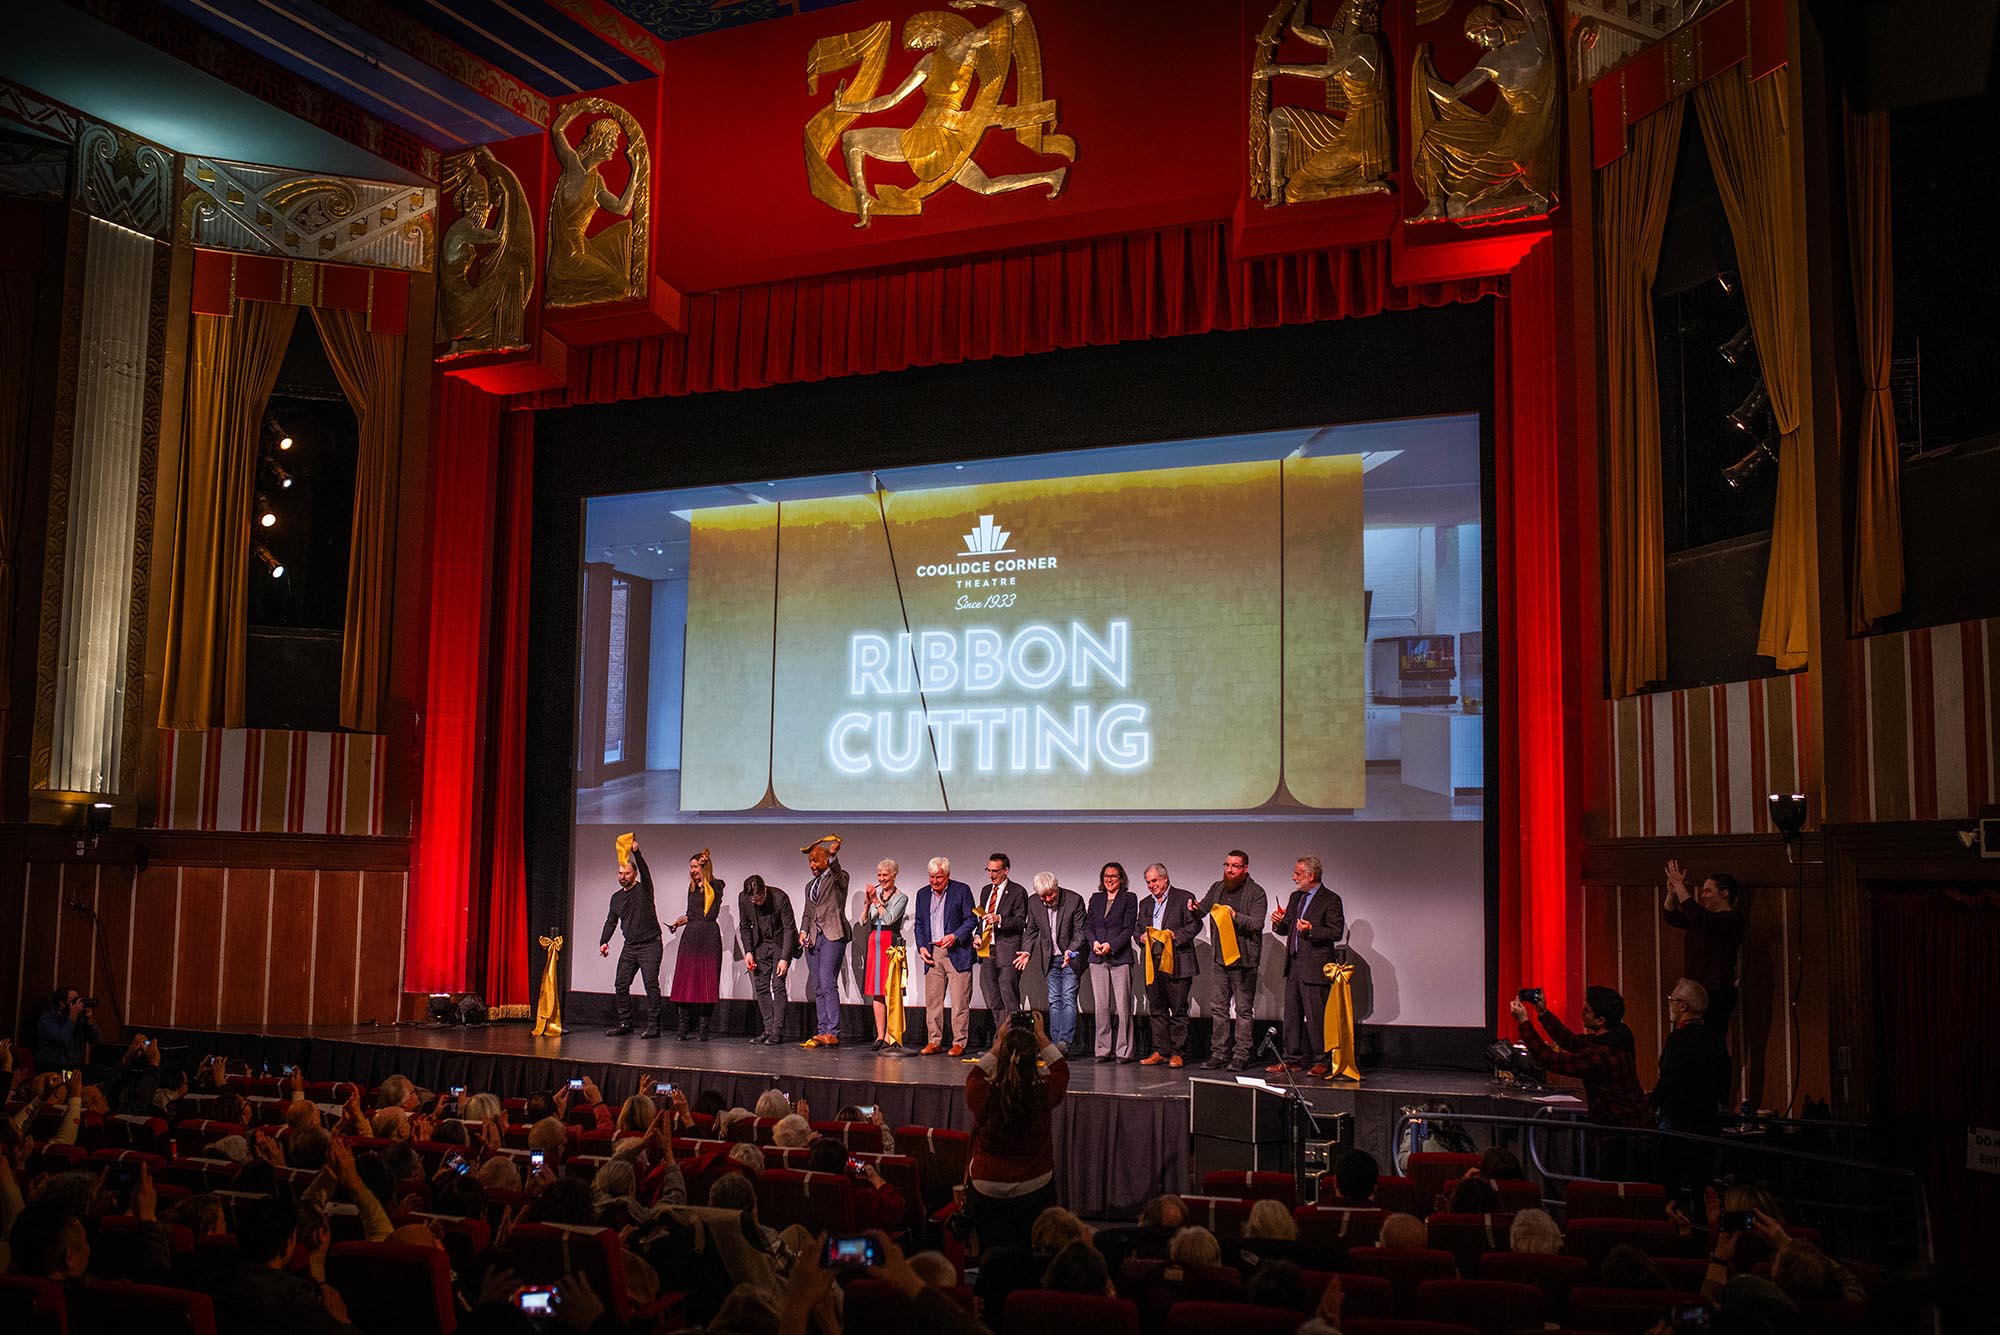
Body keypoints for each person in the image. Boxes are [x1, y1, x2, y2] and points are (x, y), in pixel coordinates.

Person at [964, 1011, 1070, 1250]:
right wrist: (1042, 1037)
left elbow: (976, 1074)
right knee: (1030, 1251)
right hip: (1034, 1185)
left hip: (987, 1186)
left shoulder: (981, 1093)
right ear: (1034, 1058)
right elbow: (1061, 1070)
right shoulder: (1041, 1093)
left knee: (991, 1250)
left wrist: (999, 1043)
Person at [1510, 986, 1651, 1129]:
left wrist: (1523, 1022)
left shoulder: (1601, 1055)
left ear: (1600, 1020)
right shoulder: (1617, 1036)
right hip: (1633, 1123)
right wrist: (1543, 1012)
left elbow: (1549, 1059)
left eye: (1588, 1010)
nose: (1582, 1012)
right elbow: (1570, 1040)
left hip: (1621, 1131)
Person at [1268, 856, 1346, 1075]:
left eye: (1298, 874)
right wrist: (1278, 922)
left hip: (1315, 967)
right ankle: (1291, 1059)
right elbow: (1287, 929)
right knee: (1291, 1015)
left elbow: (1335, 931)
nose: (1294, 877)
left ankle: (1322, 1060)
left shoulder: (1330, 899)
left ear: (1311, 876)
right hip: (1294, 965)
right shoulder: (1296, 897)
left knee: (1316, 1016)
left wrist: (1312, 929)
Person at [1194, 850, 1267, 1071]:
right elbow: (1202, 909)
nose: (1230, 869)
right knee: (1218, 1008)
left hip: (1244, 960)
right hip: (1220, 959)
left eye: (1235, 866)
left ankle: (1241, 1054)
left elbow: (1257, 924)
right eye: (1227, 865)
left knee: (1243, 1010)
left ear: (1245, 869)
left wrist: (1235, 916)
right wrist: (1194, 909)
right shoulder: (1218, 887)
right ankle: (1219, 1053)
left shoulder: (1256, 892)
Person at [1664, 859, 1747, 1029]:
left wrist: (1680, 885)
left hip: (1715, 993)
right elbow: (1670, 916)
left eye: (1709, 891)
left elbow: (1700, 917)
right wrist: (1672, 893)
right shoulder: (1703, 919)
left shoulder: (1731, 920)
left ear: (1725, 893)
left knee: (1711, 1040)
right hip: (1694, 992)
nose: (1703, 895)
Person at [1136, 863, 1202, 1068]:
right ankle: (1160, 1051)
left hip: (1177, 960)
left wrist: (1176, 936)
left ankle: (1177, 1052)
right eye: (1148, 882)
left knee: (1178, 1008)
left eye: (1154, 881)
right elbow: (1138, 927)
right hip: (1152, 961)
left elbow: (1195, 924)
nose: (1151, 885)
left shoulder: (1184, 898)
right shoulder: (1145, 903)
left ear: (1165, 878)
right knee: (1157, 1008)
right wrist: (1140, 937)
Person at [600, 834, 664, 1038]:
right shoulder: (616, 898)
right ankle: (625, 1022)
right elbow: (611, 921)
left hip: (650, 945)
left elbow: (645, 870)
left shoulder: (644, 889)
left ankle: (654, 1025)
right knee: (620, 984)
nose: (622, 876)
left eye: (626, 873)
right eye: (620, 873)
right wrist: (604, 941)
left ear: (634, 875)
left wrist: (636, 851)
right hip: (630, 946)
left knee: (651, 985)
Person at [1017, 872, 1088, 1054]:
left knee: (1068, 999)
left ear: (1056, 888)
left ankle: (1065, 1042)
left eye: (1050, 895)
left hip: (1070, 958)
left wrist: (1070, 951)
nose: (1047, 899)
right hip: (1050, 958)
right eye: (1043, 896)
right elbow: (1031, 930)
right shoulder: (1034, 902)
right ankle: (1055, 1043)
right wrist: (1026, 951)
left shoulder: (1074, 900)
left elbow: (1081, 932)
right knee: (1054, 1000)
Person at [914, 855, 977, 1056]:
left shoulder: (962, 890)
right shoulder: (922, 894)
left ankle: (959, 1042)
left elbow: (971, 919)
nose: (934, 881)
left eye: (939, 877)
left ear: (947, 875)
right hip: (933, 952)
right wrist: (922, 947)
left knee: (959, 1001)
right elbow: (919, 924)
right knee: (933, 1001)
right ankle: (934, 1041)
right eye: (931, 877)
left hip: (957, 951)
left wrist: (955, 936)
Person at [1654, 978, 1732, 1135]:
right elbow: (1725, 1072)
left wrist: (1650, 1105)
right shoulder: (1714, 1039)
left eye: (1672, 999)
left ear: (1683, 1006)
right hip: (1707, 1121)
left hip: (1678, 1121)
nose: (1669, 1003)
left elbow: (1669, 1079)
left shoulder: (1678, 1039)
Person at [796, 835, 851, 1048]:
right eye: (810, 861)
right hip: (813, 937)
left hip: (833, 934)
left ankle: (833, 1031)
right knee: (818, 985)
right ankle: (822, 1030)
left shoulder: (839, 877)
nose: (812, 865)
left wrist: (834, 858)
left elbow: (839, 876)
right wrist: (803, 931)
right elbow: (808, 911)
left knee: (828, 981)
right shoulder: (810, 885)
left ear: (825, 859)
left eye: (815, 861)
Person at [973, 853, 1030, 1053]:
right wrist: (978, 935)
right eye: (988, 870)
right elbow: (981, 919)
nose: (991, 875)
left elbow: (1021, 921)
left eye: (995, 871)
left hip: (1008, 951)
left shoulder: (1017, 891)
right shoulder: (985, 890)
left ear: (1006, 870)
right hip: (987, 950)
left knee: (1009, 998)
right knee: (994, 999)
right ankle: (1001, 1042)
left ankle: (1015, 1044)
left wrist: (1000, 919)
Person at [668, 850, 726, 1040]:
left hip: (708, 937)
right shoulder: (691, 888)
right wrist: (679, 922)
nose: (692, 871)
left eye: (695, 867)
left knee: (707, 984)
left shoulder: (716, 886)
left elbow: (710, 910)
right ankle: (683, 1027)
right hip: (691, 936)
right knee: (684, 982)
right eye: (691, 867)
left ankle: (704, 1028)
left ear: (704, 866)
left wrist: (705, 874)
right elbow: (691, 914)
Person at [1085, 861, 1140, 1064]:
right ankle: (1102, 1049)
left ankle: (1124, 1051)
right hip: (1097, 956)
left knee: (1123, 1007)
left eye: (1113, 876)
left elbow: (1128, 928)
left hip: (1120, 957)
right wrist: (1094, 943)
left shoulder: (1129, 898)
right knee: (1101, 1006)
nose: (1109, 879)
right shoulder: (1096, 898)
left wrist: (1111, 945)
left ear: (1121, 878)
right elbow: (1088, 925)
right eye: (1106, 876)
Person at [738, 874, 797, 1046]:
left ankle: (777, 1032)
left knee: (778, 985)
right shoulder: (744, 899)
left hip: (779, 943)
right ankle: (768, 1029)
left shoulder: (780, 898)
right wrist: (748, 952)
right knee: (761, 986)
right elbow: (744, 927)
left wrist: (785, 958)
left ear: (765, 890)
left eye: (759, 899)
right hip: (760, 945)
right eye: (753, 901)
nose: (756, 903)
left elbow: (789, 929)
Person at [862, 859, 910, 1051]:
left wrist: (875, 901)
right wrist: (867, 904)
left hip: (890, 945)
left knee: (890, 991)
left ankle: (892, 1035)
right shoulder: (877, 895)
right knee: (877, 991)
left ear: (894, 876)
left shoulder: (901, 897)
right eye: (879, 875)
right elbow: (864, 920)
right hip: (875, 943)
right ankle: (880, 1035)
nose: (881, 879)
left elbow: (889, 918)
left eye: (885, 875)